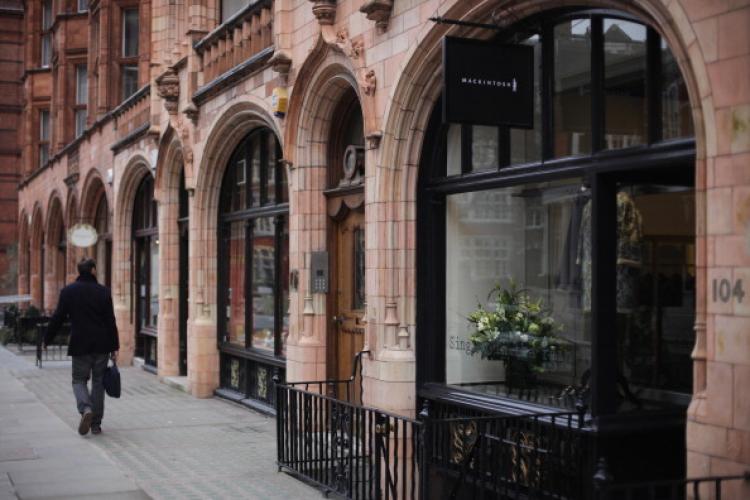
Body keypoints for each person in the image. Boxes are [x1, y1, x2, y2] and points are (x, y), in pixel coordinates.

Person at [45, 258, 119, 436]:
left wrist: (47, 339)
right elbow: (110, 320)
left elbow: (58, 317)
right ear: (93, 270)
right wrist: (115, 345)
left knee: (79, 380)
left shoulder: (69, 292)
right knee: (98, 382)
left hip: (80, 344)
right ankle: (95, 424)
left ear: (79, 271)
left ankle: (85, 407)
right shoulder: (103, 292)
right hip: (101, 345)